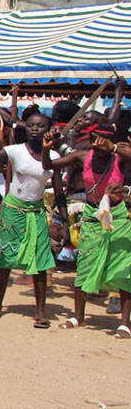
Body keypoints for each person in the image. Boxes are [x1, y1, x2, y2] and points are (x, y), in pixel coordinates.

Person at [0, 113, 63, 327]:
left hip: (37, 213)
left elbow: (59, 190)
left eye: (40, 125)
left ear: (48, 129)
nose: (35, 128)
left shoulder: (52, 155)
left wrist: (66, 221)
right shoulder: (14, 151)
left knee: (41, 261)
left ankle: (41, 312)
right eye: (31, 125)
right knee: (6, 259)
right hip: (13, 211)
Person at [44, 127, 131, 338]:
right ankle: (79, 317)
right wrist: (47, 150)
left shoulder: (118, 158)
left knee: (122, 269)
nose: (100, 146)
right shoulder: (83, 156)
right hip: (92, 217)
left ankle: (125, 324)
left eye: (105, 143)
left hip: (117, 219)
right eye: (96, 142)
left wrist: (115, 149)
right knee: (83, 266)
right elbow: (49, 166)